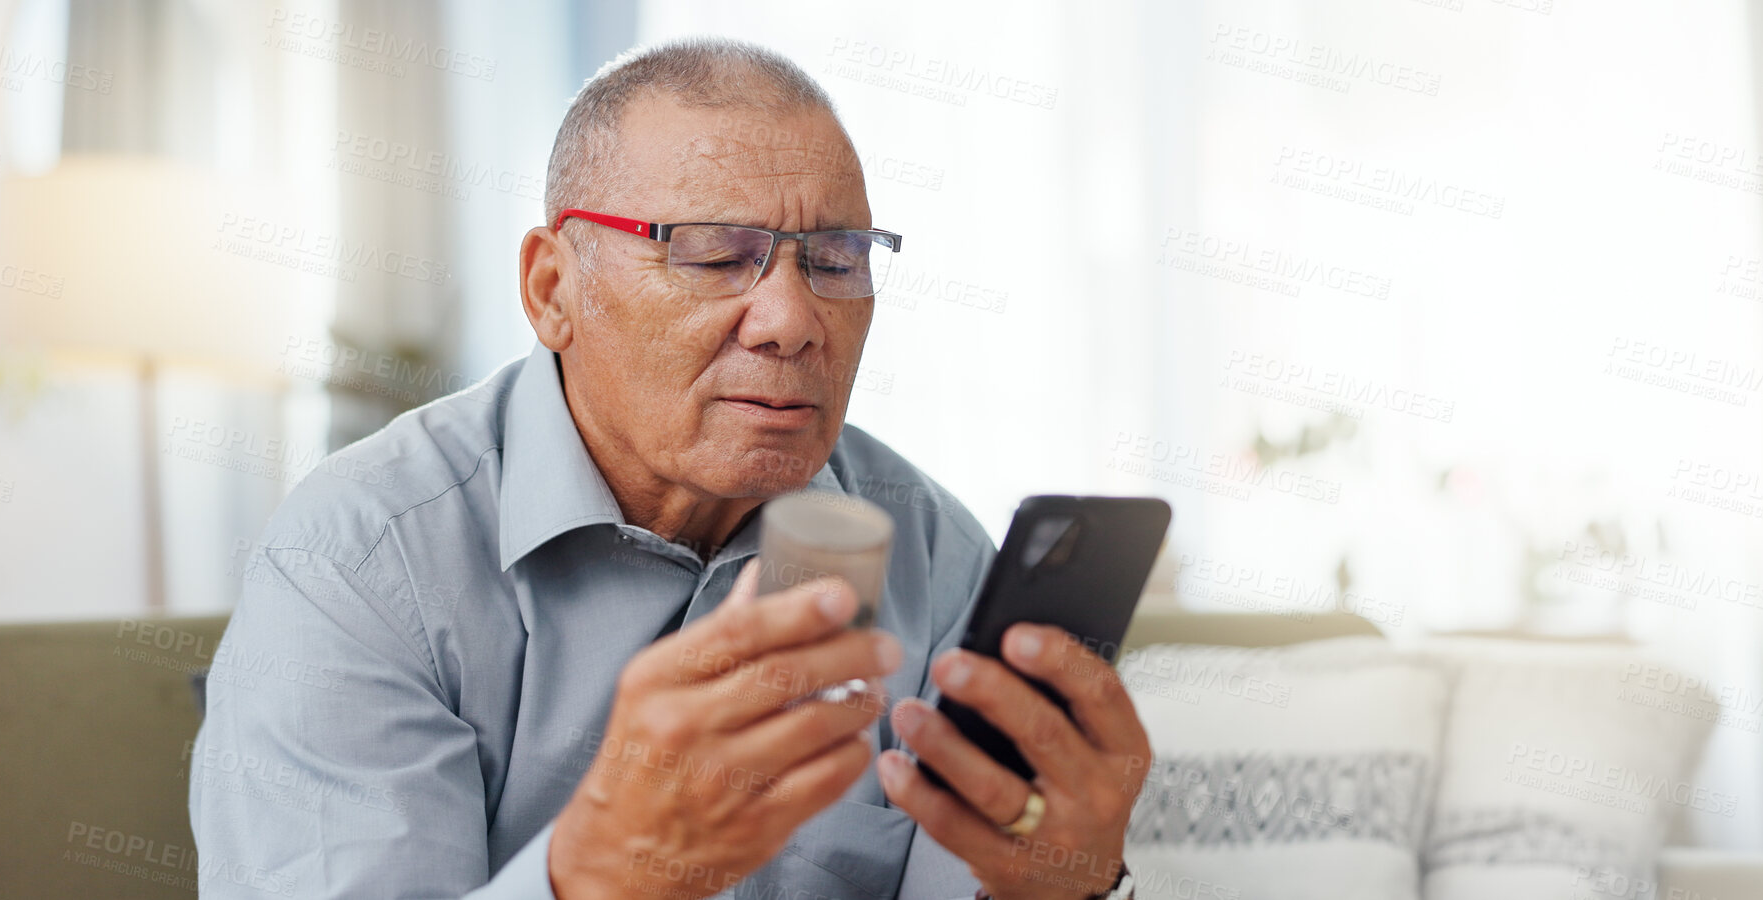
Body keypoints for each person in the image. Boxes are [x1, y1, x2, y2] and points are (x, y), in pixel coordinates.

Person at [191, 37, 1148, 900]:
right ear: (552, 289)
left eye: (836, 256)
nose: (790, 320)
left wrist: (1058, 885)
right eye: (711, 254)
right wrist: (593, 876)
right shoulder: (358, 563)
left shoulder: (932, 553)